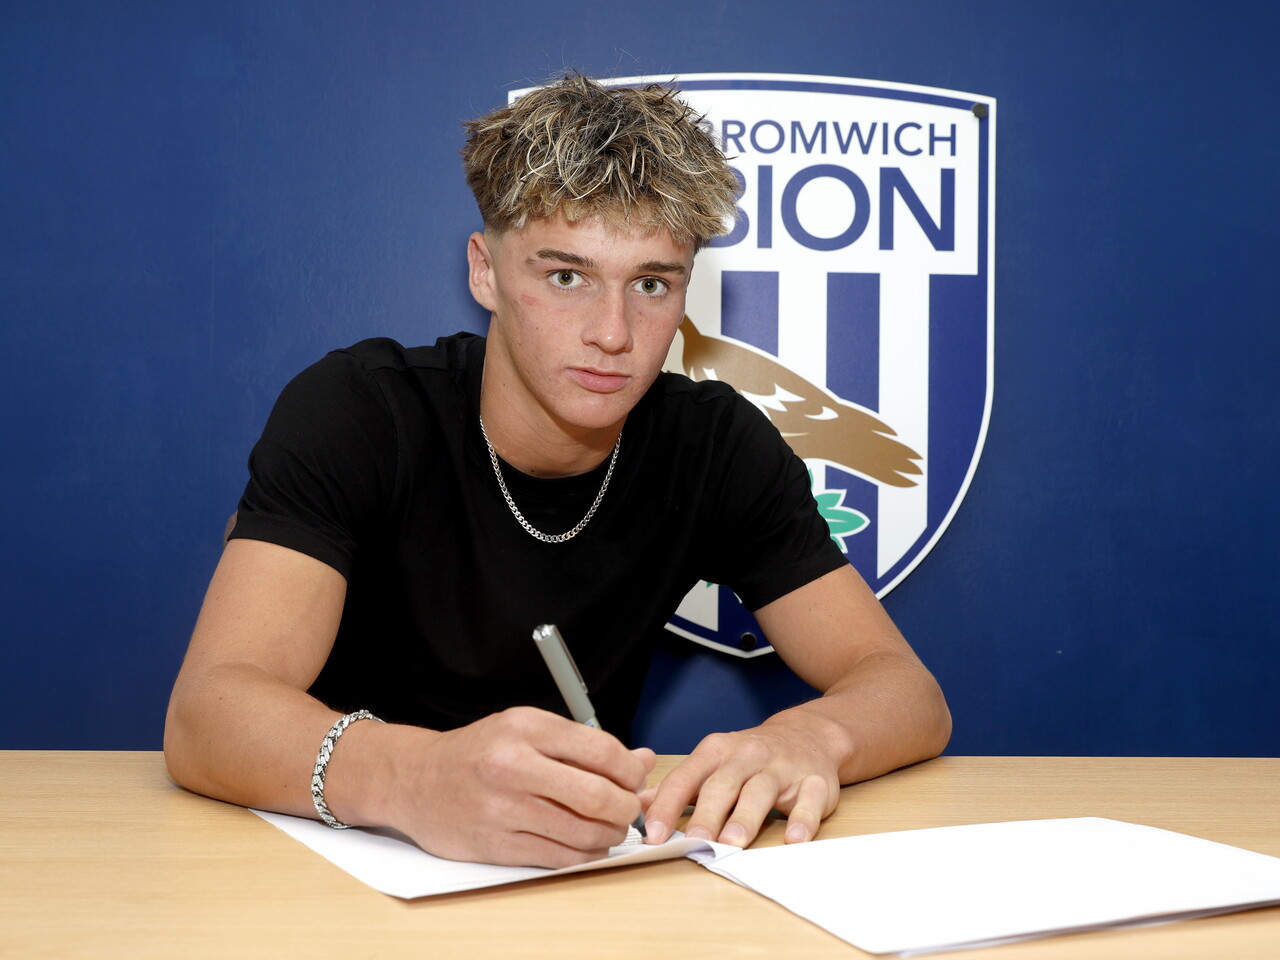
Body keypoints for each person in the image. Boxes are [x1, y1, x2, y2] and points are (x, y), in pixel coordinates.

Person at [163, 73, 951, 869]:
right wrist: (414, 778)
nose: (613, 333)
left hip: (574, 879)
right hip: (328, 871)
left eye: (650, 283)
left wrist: (810, 737)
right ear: (485, 271)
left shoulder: (710, 444)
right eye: (566, 276)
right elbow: (206, 715)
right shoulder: (363, 411)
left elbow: (905, 690)